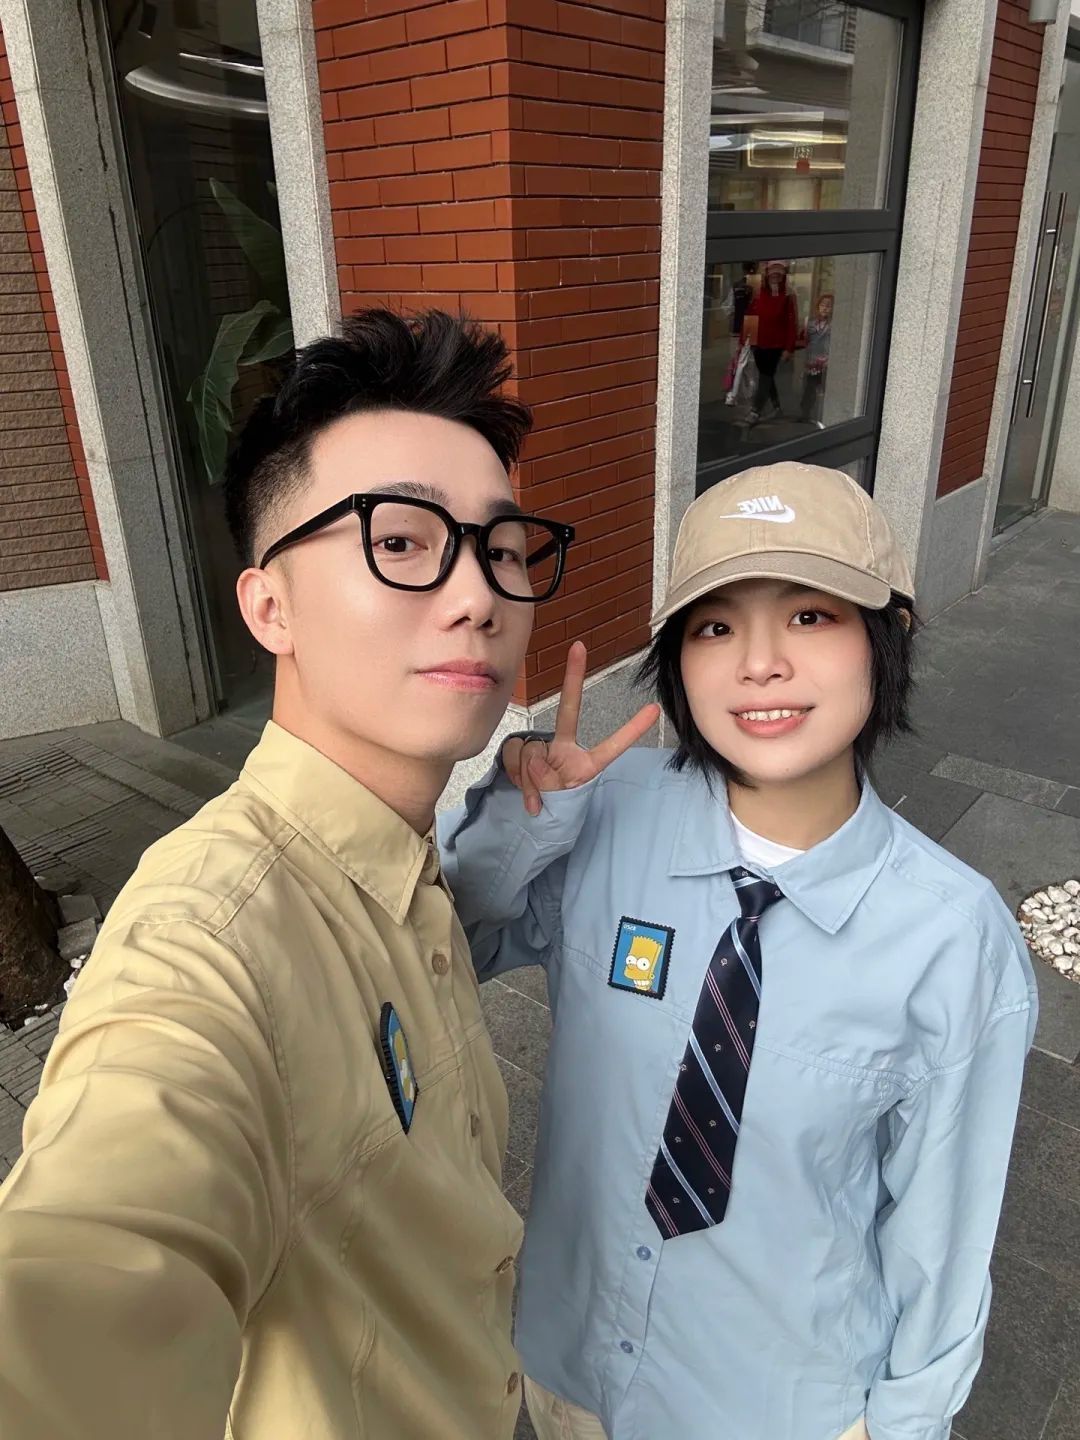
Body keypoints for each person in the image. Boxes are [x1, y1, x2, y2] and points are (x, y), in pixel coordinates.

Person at [0, 309, 581, 1440]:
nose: (478, 595)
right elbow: (100, 1253)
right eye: (400, 541)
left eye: (504, 549)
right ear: (270, 607)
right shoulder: (205, 941)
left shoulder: (400, 859)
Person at [441, 461, 1037, 1440]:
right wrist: (526, 810)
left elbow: (942, 1239)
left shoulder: (952, 937)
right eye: (715, 626)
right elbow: (449, 947)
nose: (760, 663)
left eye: (810, 615)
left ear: (891, 635)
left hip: (775, 1408)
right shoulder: (606, 809)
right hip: (563, 1369)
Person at [746, 260, 798, 422]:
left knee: (766, 376)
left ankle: (755, 411)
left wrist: (789, 348)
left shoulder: (788, 295)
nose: (775, 276)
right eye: (773, 272)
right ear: (767, 274)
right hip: (758, 343)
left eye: (779, 273)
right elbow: (751, 315)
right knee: (766, 376)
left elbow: (792, 323)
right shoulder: (757, 292)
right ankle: (777, 408)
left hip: (776, 345)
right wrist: (746, 341)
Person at [799, 292, 834, 426]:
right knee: (809, 387)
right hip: (811, 360)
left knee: (822, 389)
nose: (825, 308)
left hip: (826, 361)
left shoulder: (833, 324)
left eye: (828, 306)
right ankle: (805, 413)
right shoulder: (811, 322)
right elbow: (804, 340)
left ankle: (823, 415)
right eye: (822, 305)